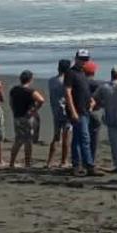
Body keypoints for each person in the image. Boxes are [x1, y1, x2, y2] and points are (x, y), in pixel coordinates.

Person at [64, 49, 103, 177]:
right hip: (78, 111)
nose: (83, 62)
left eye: (86, 59)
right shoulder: (71, 73)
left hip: (85, 110)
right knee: (85, 138)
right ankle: (89, 166)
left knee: (77, 139)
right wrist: (73, 111)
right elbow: (68, 93)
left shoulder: (82, 73)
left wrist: (91, 100)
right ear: (76, 58)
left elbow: (84, 90)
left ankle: (77, 165)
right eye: (82, 59)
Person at [8, 70, 45, 169]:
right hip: (27, 117)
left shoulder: (14, 90)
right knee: (28, 140)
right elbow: (41, 100)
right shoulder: (30, 91)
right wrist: (34, 110)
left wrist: (14, 111)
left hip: (17, 116)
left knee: (18, 140)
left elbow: (11, 102)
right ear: (30, 79)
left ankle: (12, 162)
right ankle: (27, 163)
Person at [46, 59, 72, 169]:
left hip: (55, 110)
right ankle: (63, 161)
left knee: (56, 137)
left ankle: (49, 162)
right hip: (65, 111)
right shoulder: (66, 81)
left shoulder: (51, 80)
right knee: (66, 137)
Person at [83, 60, 103, 166]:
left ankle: (83, 159)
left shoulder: (79, 82)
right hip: (94, 112)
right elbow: (100, 99)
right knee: (94, 138)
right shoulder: (95, 84)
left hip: (81, 111)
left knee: (83, 136)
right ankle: (91, 160)